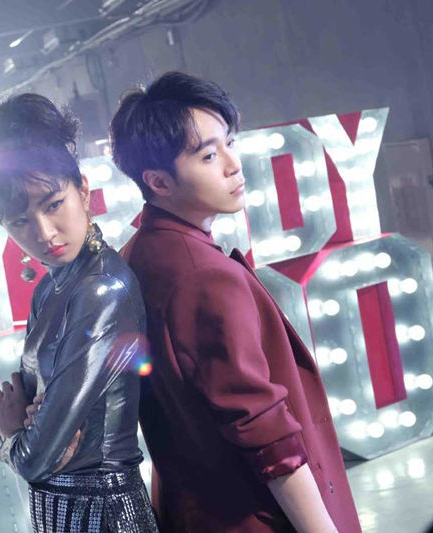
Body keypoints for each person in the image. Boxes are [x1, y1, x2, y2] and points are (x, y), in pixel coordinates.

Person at [109, 71, 361, 533]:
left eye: (229, 142)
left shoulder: (136, 255)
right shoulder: (203, 276)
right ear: (158, 181)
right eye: (208, 155)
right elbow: (265, 432)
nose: (232, 165)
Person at [0, 93, 159, 533]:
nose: (44, 233)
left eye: (53, 204)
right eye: (19, 221)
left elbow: (34, 458)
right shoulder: (48, 289)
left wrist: (12, 437)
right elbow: (25, 410)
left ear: (83, 191)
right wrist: (27, 430)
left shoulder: (102, 290)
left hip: (106, 513)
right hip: (59, 512)